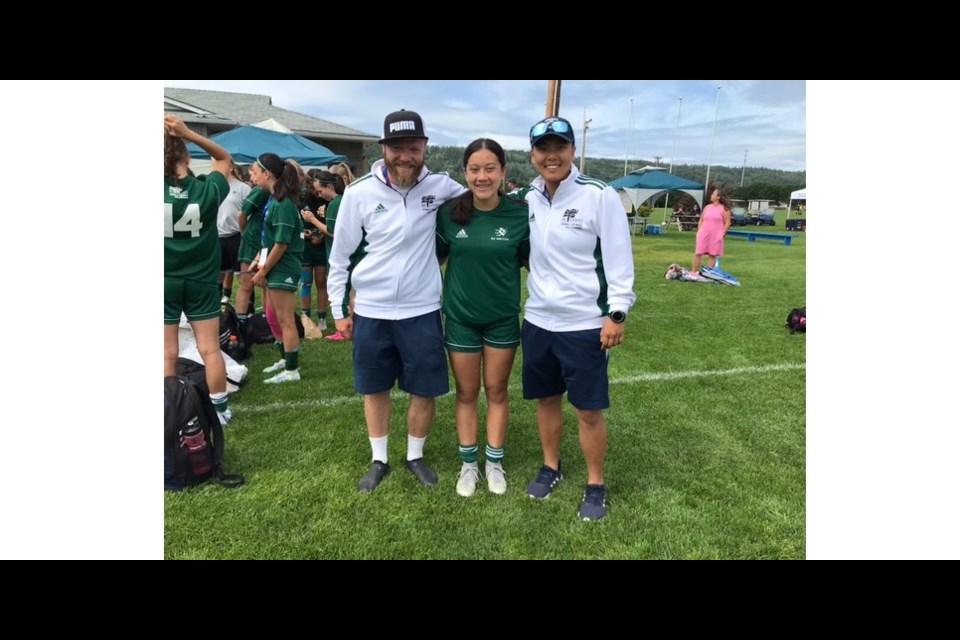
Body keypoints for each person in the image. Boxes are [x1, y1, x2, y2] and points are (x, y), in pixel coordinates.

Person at [327, 109, 466, 493]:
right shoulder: (358, 194)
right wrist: (339, 311)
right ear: (383, 148)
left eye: (413, 148)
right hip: (371, 309)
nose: (405, 156)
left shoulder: (441, 186)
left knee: (424, 388)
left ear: (425, 148)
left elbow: (485, 193)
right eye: (397, 148)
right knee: (375, 388)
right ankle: (380, 458)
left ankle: (415, 455)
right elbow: (339, 258)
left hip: (422, 310)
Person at [520, 115, 636, 521]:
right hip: (537, 320)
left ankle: (595, 483)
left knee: (587, 409)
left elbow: (620, 259)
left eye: (559, 147)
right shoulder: (528, 197)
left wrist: (617, 313)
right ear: (532, 154)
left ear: (573, 151)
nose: (551, 156)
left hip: (585, 323)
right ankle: (551, 466)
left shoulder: (599, 195)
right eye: (543, 149)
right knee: (546, 398)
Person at [436, 139, 529, 497]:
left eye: (490, 168)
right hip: (460, 318)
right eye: (475, 169)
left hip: (502, 319)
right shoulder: (448, 214)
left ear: (504, 171)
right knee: (466, 392)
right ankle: (468, 465)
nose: (482, 176)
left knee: (496, 390)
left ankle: (494, 463)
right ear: (465, 173)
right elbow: (435, 259)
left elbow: (534, 263)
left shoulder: (521, 214)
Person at [163, 115, 233, 424]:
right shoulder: (208, 189)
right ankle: (221, 411)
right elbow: (224, 158)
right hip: (203, 279)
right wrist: (188, 132)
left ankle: (172, 409)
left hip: (163, 279)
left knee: (167, 352)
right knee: (209, 348)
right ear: (187, 156)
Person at [249, 153, 305, 383]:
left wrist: (263, 270)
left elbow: (281, 244)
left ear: (267, 174)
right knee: (276, 316)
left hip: (283, 267)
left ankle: (292, 371)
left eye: (253, 171)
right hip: (275, 265)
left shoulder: (282, 204)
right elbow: (270, 241)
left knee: (285, 320)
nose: (251, 176)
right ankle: (286, 359)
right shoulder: (276, 201)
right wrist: (257, 261)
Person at [217, 161, 251, 305]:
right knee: (217, 274)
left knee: (242, 276)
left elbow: (249, 214)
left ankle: (247, 312)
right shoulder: (213, 186)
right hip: (217, 236)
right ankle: (216, 305)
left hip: (237, 235)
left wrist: (245, 233)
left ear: (230, 168)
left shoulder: (243, 188)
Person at [691, 188, 731, 273]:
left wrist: (722, 234)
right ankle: (693, 272)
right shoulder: (707, 207)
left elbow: (728, 223)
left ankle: (708, 273)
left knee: (712, 255)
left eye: (713, 194)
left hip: (716, 235)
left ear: (718, 197)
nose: (711, 195)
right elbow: (701, 220)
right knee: (698, 253)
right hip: (704, 233)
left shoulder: (724, 209)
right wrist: (699, 231)